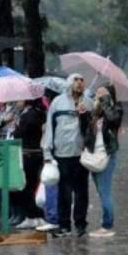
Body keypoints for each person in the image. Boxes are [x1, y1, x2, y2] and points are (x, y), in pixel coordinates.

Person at [43, 73, 94, 238]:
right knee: (64, 192)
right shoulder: (57, 103)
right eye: (76, 80)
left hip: (81, 153)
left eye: (82, 80)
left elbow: (91, 131)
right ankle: (64, 225)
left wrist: (84, 116)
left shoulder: (88, 103)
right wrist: (47, 151)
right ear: (69, 83)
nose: (79, 83)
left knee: (81, 192)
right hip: (62, 154)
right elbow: (50, 127)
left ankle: (80, 224)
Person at [81, 84, 122, 238]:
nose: (97, 94)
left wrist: (105, 101)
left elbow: (113, 120)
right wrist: (83, 115)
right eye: (97, 92)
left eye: (101, 92)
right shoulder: (96, 112)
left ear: (109, 95)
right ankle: (106, 223)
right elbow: (86, 131)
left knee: (105, 192)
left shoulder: (116, 109)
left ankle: (107, 226)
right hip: (94, 155)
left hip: (106, 155)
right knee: (100, 191)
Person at [12, 98, 47, 229]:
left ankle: (32, 215)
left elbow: (19, 134)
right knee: (32, 186)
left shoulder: (29, 115)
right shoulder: (39, 113)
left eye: (18, 100)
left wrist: (16, 127)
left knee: (27, 186)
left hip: (29, 154)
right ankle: (35, 215)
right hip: (35, 153)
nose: (17, 102)